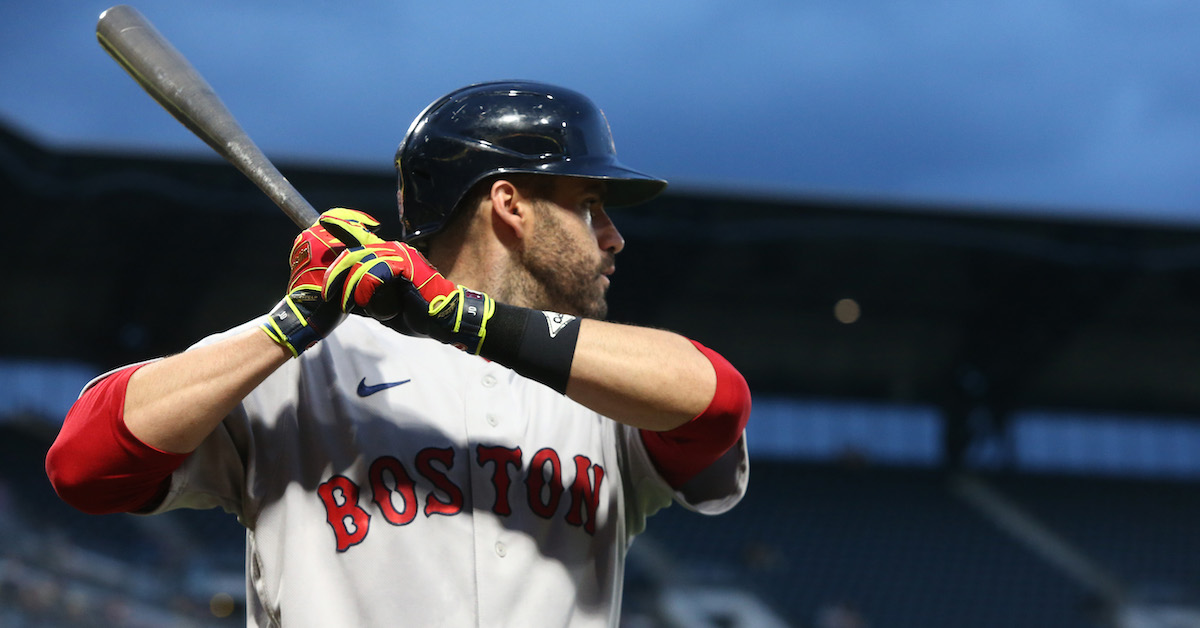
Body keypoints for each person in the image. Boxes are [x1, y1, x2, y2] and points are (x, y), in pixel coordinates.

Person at [46, 80, 751, 627]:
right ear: (510, 205)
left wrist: (456, 315)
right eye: (590, 205)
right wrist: (286, 325)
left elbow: (716, 400)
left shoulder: (608, 384)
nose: (612, 238)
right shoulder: (305, 356)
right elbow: (85, 468)